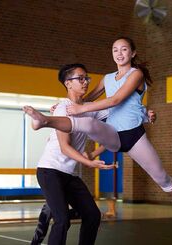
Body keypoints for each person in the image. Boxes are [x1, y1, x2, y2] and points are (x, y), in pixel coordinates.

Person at [24, 37, 172, 217]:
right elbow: (85, 99)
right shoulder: (107, 79)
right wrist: (64, 108)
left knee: (159, 175)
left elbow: (116, 100)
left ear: (133, 53)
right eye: (115, 50)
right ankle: (45, 121)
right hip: (113, 134)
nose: (119, 54)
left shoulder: (136, 74)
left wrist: (146, 114)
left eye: (124, 49)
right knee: (88, 123)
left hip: (134, 136)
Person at [25, 63, 119, 245]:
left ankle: (51, 210)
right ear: (68, 83)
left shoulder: (90, 108)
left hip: (69, 174)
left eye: (87, 78)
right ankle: (53, 210)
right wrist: (89, 162)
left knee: (92, 215)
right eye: (80, 78)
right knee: (62, 221)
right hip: (50, 170)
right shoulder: (63, 108)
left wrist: (145, 114)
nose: (85, 82)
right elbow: (64, 147)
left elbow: (117, 118)